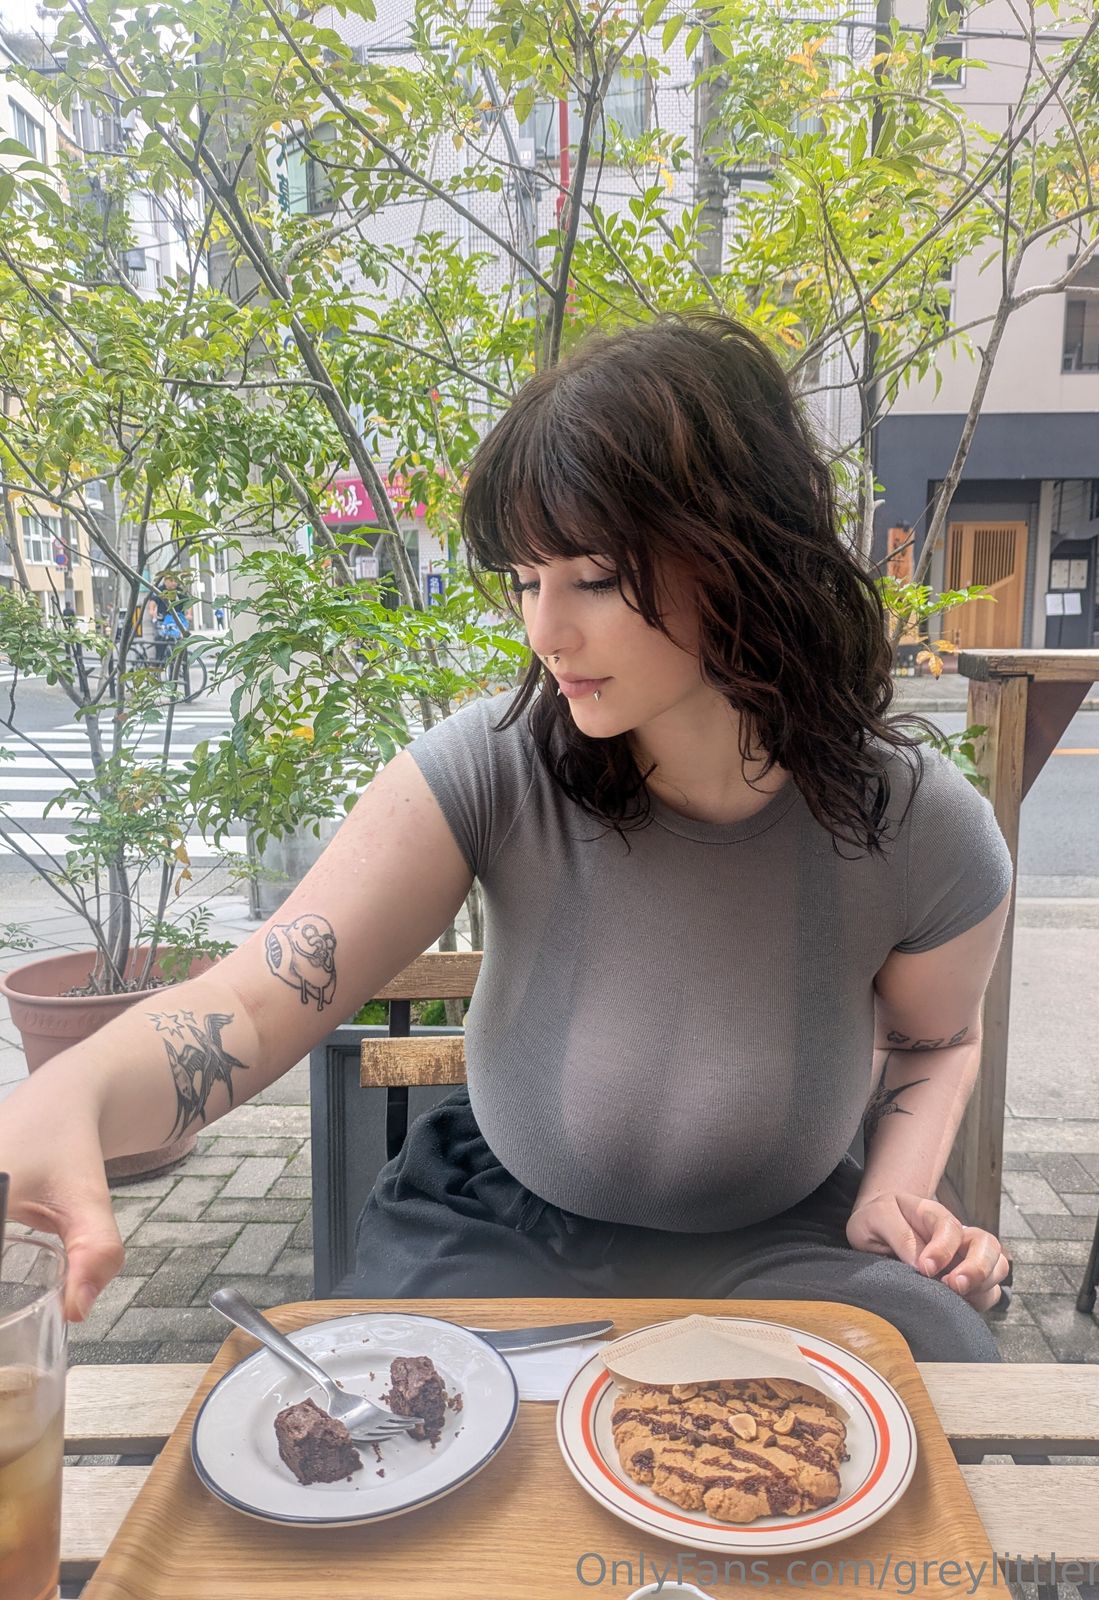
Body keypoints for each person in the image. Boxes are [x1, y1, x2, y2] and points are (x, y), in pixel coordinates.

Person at [0, 315, 1012, 1361]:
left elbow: (937, 1040)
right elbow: (258, 999)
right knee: (397, 1413)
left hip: (781, 1240)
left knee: (940, 1356)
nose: (543, 632)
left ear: (746, 549)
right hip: (494, 1228)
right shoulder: (492, 769)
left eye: (595, 578)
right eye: (527, 581)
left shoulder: (918, 825)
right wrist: (72, 1093)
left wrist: (893, 1193)